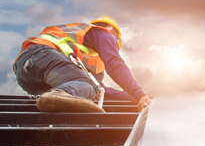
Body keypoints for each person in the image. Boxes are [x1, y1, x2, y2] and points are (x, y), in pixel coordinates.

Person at [13, 16, 152, 113]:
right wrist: (139, 95)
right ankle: (59, 94)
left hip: (25, 74)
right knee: (88, 87)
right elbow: (114, 63)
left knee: (90, 88)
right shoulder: (103, 33)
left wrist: (134, 98)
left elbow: (101, 90)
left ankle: (56, 94)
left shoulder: (84, 54)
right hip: (43, 55)